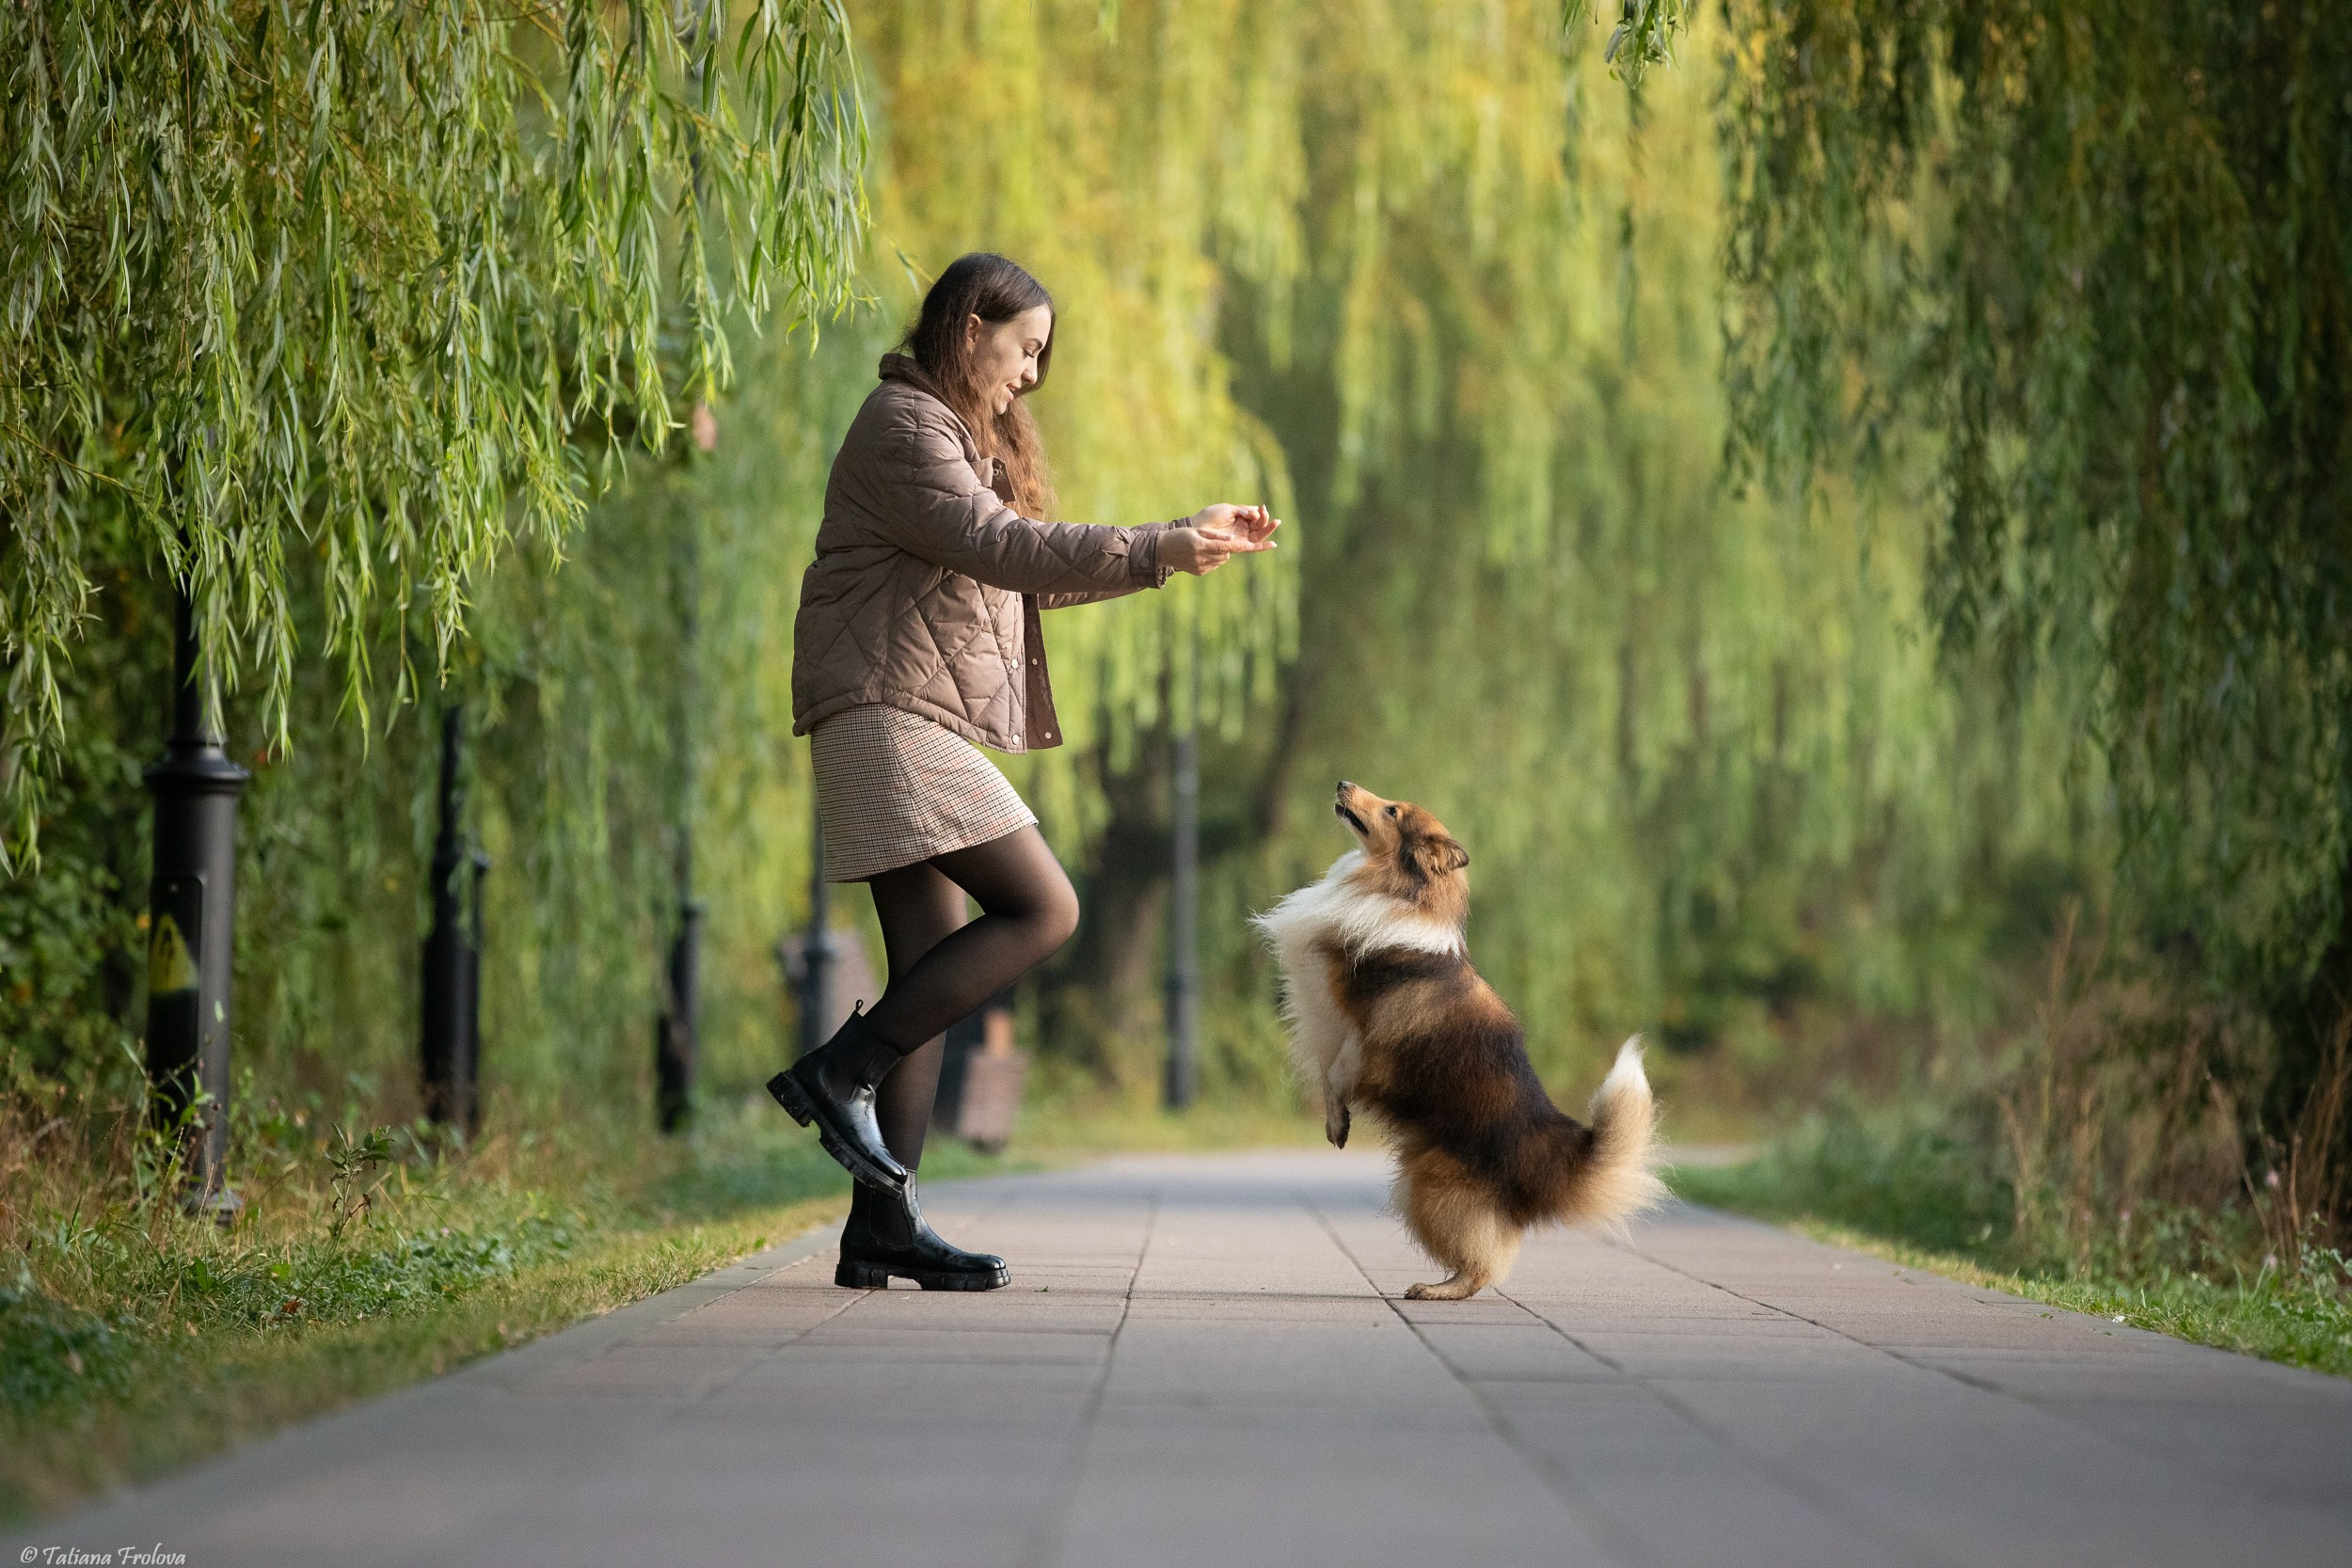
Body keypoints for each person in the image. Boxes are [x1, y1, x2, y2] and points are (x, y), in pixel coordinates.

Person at [770, 252, 1279, 1291]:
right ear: (972, 329)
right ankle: (842, 1070)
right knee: (1046, 907)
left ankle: (881, 1225)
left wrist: (1174, 544)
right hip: (885, 712)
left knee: (931, 965)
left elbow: (1021, 571)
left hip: (899, 710)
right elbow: (1005, 548)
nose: (1033, 374)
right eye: (1026, 347)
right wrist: (1158, 546)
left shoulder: (951, 438)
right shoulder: (905, 428)